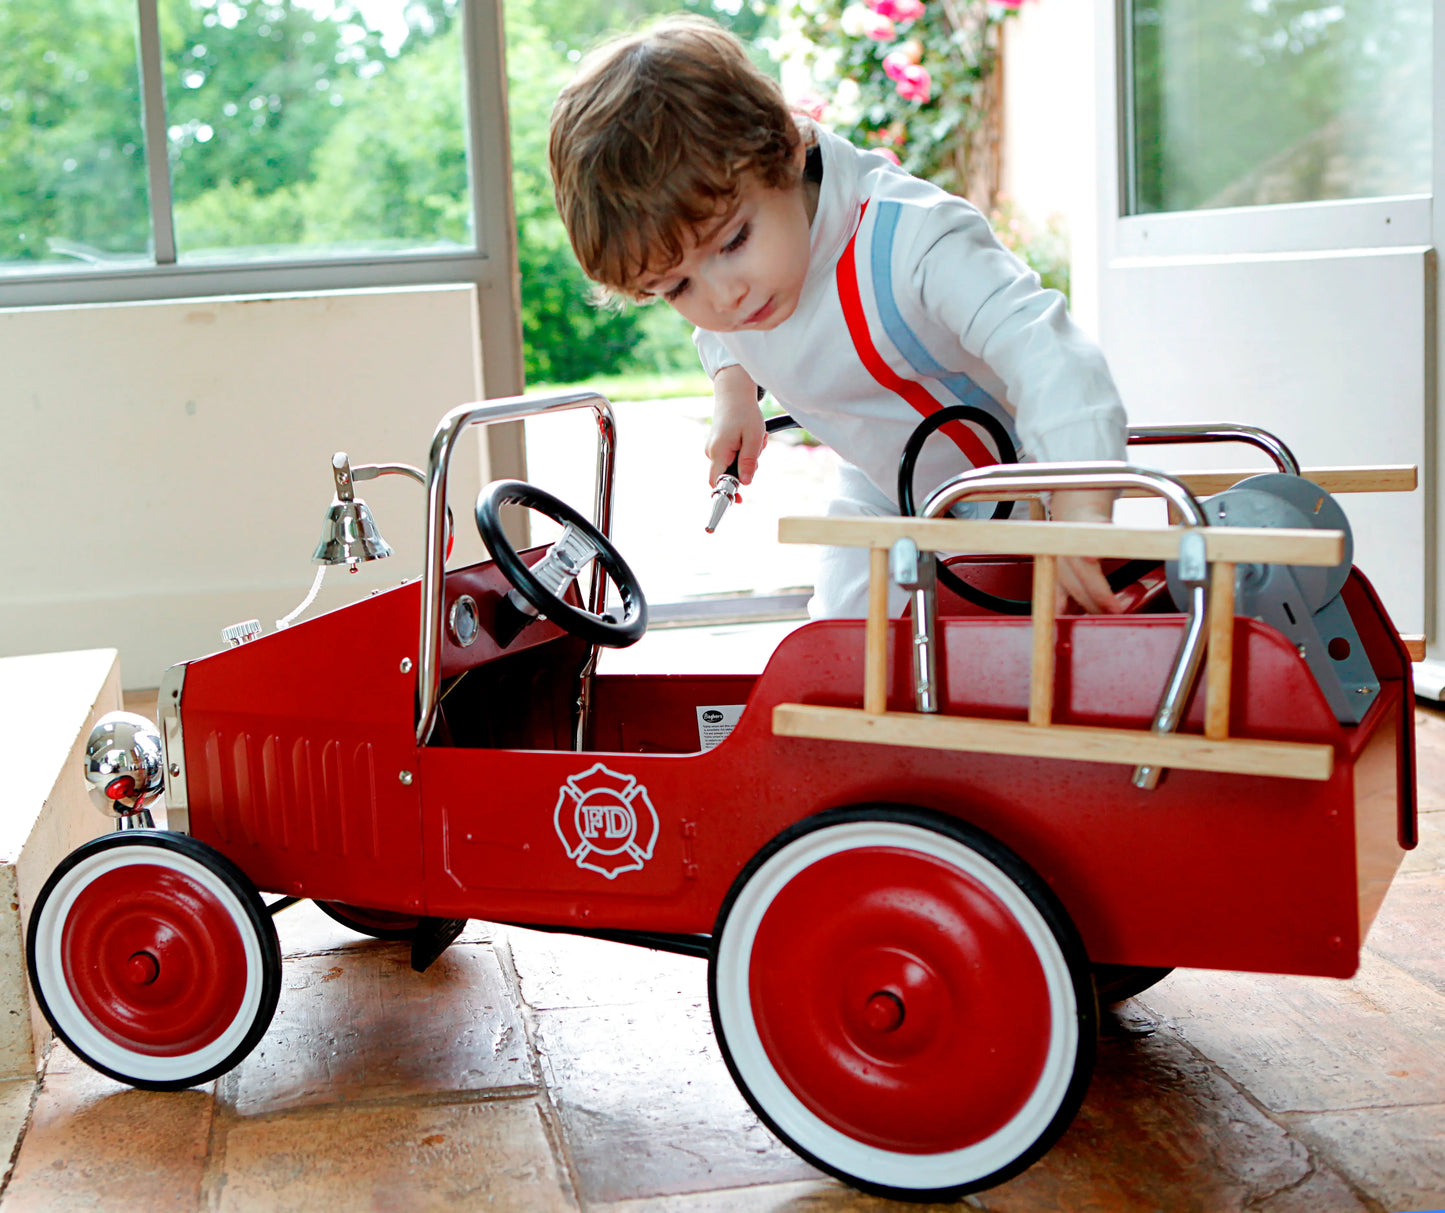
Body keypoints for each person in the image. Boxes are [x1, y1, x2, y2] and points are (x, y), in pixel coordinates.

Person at [549, 14, 1128, 618]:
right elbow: (719, 331)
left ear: (790, 153)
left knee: (1008, 641)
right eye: (676, 286)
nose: (725, 298)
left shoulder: (911, 240)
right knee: (840, 621)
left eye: (733, 242)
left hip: (1013, 479)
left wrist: (1082, 512)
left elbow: (1050, 354)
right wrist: (735, 392)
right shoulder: (740, 281)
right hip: (885, 482)